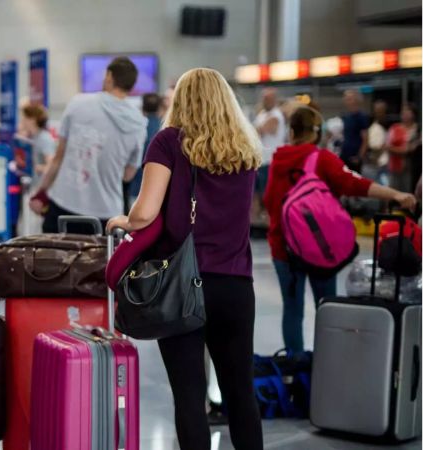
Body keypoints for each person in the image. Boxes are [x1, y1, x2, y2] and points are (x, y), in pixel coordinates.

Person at [107, 68, 264, 450]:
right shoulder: (245, 148)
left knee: (189, 394)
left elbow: (145, 213)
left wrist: (121, 220)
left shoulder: (168, 143)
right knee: (240, 391)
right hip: (236, 285)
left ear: (181, 101)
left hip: (181, 282)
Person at [264, 106, 417, 353]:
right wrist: (396, 194)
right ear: (317, 133)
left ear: (291, 131)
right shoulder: (321, 159)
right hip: (319, 248)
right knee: (326, 308)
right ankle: (327, 365)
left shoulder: (278, 160)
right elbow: (356, 184)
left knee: (292, 311)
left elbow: (270, 203)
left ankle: (295, 367)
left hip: (284, 250)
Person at [34, 56, 146, 234]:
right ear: (131, 86)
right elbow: (128, 175)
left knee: (55, 260)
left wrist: (41, 193)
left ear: (109, 76)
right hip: (107, 215)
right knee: (101, 262)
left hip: (65, 204)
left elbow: (58, 157)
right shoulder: (139, 124)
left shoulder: (78, 103)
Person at [251, 88, 286, 226]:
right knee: (254, 196)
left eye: (268, 98)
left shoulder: (276, 115)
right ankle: (253, 225)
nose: (265, 101)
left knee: (268, 196)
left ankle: (272, 226)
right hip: (259, 161)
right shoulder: (262, 114)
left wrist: (251, 130)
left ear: (274, 100)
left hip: (270, 162)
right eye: (264, 98)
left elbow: (260, 131)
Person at [128, 93, 163, 210]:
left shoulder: (136, 127)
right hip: (159, 192)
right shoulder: (165, 129)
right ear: (160, 108)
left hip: (135, 187)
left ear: (142, 108)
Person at [386, 103, 420, 193]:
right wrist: (403, 150)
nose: (404, 113)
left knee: (408, 192)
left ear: (413, 114)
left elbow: (414, 148)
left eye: (407, 111)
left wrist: (405, 150)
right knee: (393, 192)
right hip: (394, 166)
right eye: (403, 111)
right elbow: (387, 146)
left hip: (412, 168)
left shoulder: (418, 129)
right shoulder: (394, 128)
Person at [19, 104, 55, 185]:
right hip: (36, 187)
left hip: (43, 189)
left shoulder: (44, 139)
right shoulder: (34, 137)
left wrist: (38, 168)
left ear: (32, 120)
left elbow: (52, 167)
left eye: (25, 118)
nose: (23, 121)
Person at [340, 89, 370, 172]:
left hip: (354, 157)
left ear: (356, 100)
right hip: (344, 155)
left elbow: (365, 139)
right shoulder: (346, 117)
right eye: (346, 99)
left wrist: (359, 157)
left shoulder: (361, 117)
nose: (347, 101)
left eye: (349, 98)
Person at [363, 99, 389, 183]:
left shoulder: (388, 126)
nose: (380, 113)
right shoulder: (374, 128)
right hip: (377, 166)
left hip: (387, 165)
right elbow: (373, 147)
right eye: (378, 111)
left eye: (382, 111)